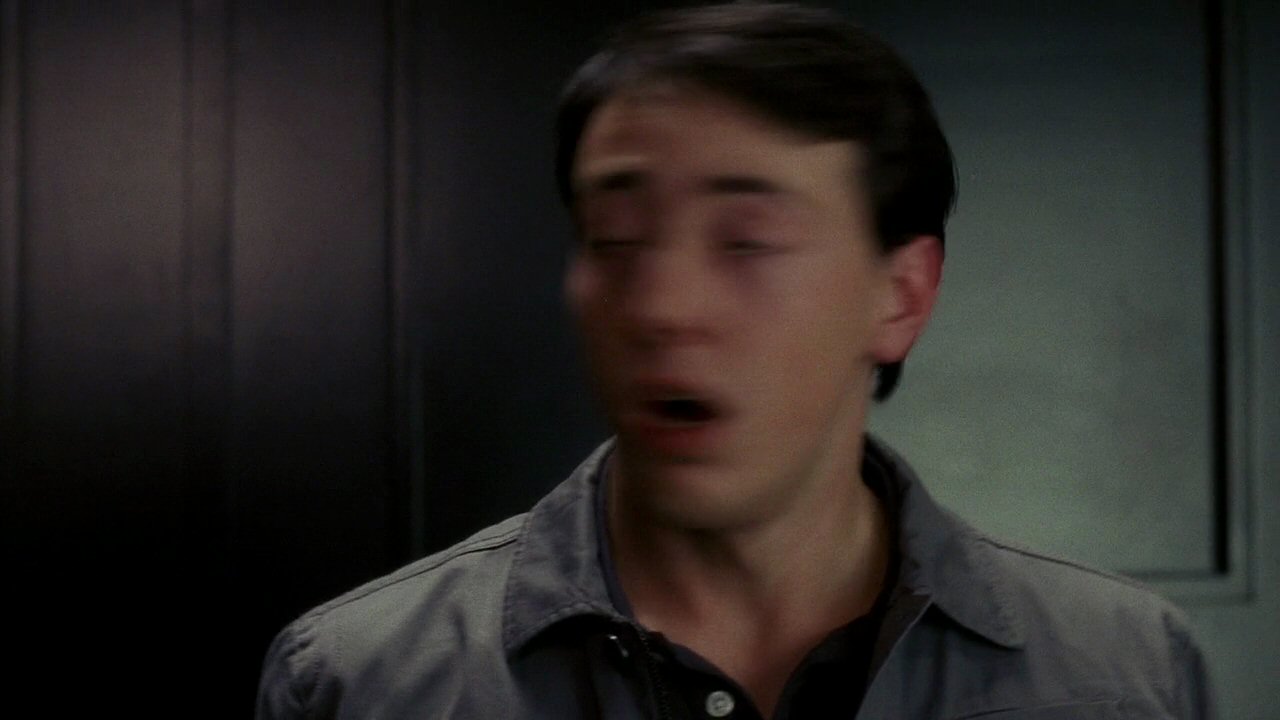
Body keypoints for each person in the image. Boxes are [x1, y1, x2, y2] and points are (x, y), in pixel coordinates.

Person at [256, 3, 1214, 718]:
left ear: (901, 295)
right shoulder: (359, 682)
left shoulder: (1123, 673)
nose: (662, 306)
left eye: (748, 241)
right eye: (616, 239)